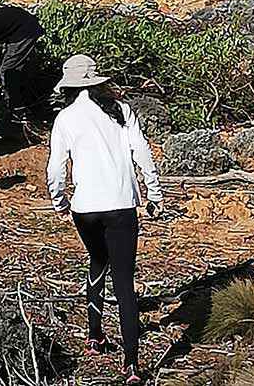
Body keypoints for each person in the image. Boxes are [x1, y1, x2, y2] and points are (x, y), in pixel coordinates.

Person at [46, 55, 163, 386]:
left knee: (97, 260)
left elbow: (55, 168)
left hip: (86, 209)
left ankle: (94, 335)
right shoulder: (122, 111)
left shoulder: (66, 119)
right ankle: (132, 365)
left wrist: (60, 201)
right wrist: (154, 193)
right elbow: (143, 153)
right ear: (97, 81)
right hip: (122, 205)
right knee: (124, 283)